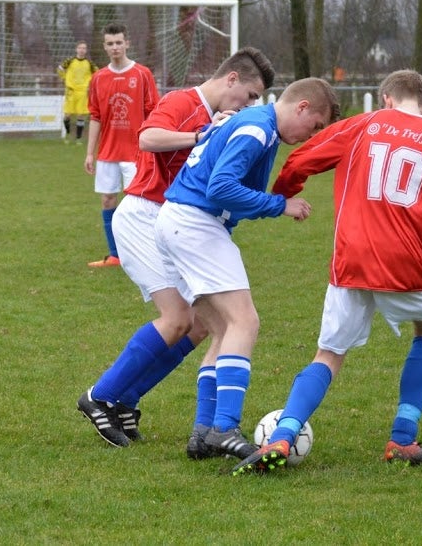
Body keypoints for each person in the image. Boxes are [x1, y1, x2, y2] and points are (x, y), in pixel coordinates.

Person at [231, 70, 422, 476]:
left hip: (352, 257)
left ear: (385, 99)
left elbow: (302, 159)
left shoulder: (363, 124)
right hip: (409, 261)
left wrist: (283, 194)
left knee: (329, 354)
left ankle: (283, 434)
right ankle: (402, 438)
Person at [76, 48, 276, 451]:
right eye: (251, 95)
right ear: (232, 79)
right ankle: (100, 396)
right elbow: (147, 138)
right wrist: (201, 135)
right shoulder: (185, 101)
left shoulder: (223, 116)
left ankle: (126, 399)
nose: (250, 104)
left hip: (174, 221)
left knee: (201, 325)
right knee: (177, 318)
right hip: (144, 214)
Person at [153, 77, 340, 460]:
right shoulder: (257, 129)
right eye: (315, 125)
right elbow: (220, 188)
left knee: (223, 330)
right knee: (245, 322)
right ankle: (225, 427)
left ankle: (204, 432)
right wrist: (279, 205)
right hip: (195, 223)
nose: (310, 136)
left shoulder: (257, 125)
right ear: (302, 106)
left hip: (177, 221)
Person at [84, 23, 160, 267]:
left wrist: (153, 148)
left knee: (138, 205)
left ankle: (145, 253)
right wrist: (90, 153)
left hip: (136, 153)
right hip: (108, 153)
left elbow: (153, 114)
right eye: (110, 43)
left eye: (119, 42)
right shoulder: (98, 78)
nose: (115, 47)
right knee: (108, 200)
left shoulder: (142, 74)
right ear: (104, 47)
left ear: (127, 43)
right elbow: (95, 116)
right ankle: (115, 255)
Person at [57, 41, 97, 143]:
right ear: (76, 49)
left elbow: (97, 73)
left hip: (83, 92)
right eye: (80, 48)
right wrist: (65, 78)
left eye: (84, 48)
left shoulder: (89, 63)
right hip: (70, 91)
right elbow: (60, 69)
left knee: (81, 115)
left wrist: (91, 84)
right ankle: (68, 134)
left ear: (86, 50)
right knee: (67, 114)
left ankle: (78, 138)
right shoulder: (70, 60)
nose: (82, 50)